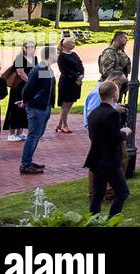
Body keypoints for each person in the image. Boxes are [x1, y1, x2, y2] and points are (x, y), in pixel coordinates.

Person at [84, 80, 131, 218]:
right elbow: (114, 137)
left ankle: (94, 219)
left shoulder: (93, 113)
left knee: (97, 193)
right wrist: (125, 132)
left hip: (95, 157)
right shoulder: (112, 114)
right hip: (109, 159)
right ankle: (112, 219)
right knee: (122, 192)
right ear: (115, 94)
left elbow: (93, 135)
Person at [18, 45, 56, 174]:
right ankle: (25, 164)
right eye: (55, 54)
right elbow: (28, 89)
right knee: (33, 136)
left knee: (36, 135)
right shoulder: (39, 69)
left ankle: (28, 161)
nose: (57, 56)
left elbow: (47, 87)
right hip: (37, 108)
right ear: (49, 56)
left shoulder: (47, 69)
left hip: (45, 107)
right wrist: (27, 101)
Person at [2, 40, 35, 141]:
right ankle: (11, 134)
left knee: (24, 107)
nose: (31, 49)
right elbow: (20, 72)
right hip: (18, 87)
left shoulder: (34, 58)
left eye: (33, 47)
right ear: (24, 48)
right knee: (14, 108)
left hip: (27, 87)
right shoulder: (19, 58)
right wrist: (30, 81)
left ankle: (19, 133)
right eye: (28, 47)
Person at [55, 38, 84, 133]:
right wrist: (77, 77)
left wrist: (81, 75)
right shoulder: (61, 56)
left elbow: (80, 65)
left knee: (70, 103)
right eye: (71, 42)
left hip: (76, 82)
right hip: (67, 82)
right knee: (65, 104)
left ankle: (59, 124)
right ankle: (64, 125)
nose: (74, 43)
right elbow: (65, 70)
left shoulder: (74, 54)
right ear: (65, 45)